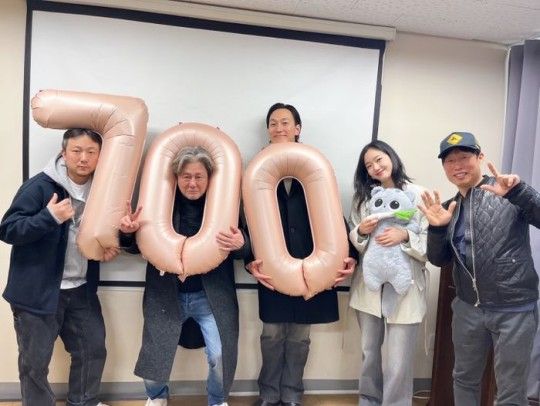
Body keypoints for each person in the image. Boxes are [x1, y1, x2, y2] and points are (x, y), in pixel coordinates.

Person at [247, 103, 358, 406]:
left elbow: (334, 219)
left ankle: (292, 394)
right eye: (273, 123)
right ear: (268, 131)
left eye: (285, 122)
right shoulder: (256, 172)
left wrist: (350, 256)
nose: (279, 128)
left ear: (297, 129)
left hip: (313, 269)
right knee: (271, 335)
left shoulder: (314, 169)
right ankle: (269, 395)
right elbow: (246, 225)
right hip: (273, 271)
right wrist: (249, 262)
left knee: (299, 338)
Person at [119, 146, 248, 406]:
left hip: (211, 296)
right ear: (176, 177)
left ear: (209, 178)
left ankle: (217, 400)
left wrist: (242, 244)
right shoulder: (158, 204)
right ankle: (157, 397)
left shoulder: (224, 206)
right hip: (166, 294)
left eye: (199, 177)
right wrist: (128, 233)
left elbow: (244, 246)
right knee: (155, 355)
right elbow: (139, 246)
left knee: (219, 355)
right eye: (186, 176)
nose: (192, 183)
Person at [419, 132, 540, 405]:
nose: (457, 166)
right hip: (468, 308)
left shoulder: (508, 192)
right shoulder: (450, 208)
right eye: (450, 161)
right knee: (463, 378)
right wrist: (437, 229)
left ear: (480, 157)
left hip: (514, 307)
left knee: (511, 389)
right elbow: (439, 260)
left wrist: (520, 193)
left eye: (464, 157)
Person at [0, 128, 115, 406]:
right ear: (64, 153)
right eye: (76, 151)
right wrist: (49, 217)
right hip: (37, 293)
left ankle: (83, 403)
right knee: (35, 364)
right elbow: (8, 229)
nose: (83, 158)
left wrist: (117, 242)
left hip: (81, 289)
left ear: (100, 156)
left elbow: (107, 231)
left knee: (92, 351)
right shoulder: (39, 186)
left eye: (91, 152)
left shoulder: (104, 189)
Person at [348, 140, 427, 406]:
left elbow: (430, 242)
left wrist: (405, 235)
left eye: (379, 159)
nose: (375, 167)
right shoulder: (363, 200)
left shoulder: (418, 195)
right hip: (370, 286)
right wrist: (362, 232)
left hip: (406, 286)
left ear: (391, 157)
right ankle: (368, 400)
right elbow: (355, 241)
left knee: (398, 359)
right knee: (369, 352)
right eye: (368, 165)